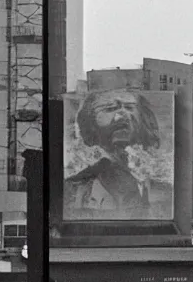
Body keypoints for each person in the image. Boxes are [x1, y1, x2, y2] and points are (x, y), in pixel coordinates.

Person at [64, 89, 173, 221]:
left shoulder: (165, 192)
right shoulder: (72, 190)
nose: (122, 115)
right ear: (90, 121)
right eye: (110, 108)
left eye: (129, 107)